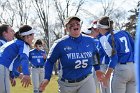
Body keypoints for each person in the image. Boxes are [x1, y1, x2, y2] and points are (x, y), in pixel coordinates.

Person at [39, 16, 105, 93]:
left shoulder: (90, 40)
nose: (75, 25)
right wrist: (47, 78)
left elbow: (94, 55)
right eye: (71, 24)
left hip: (86, 80)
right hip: (67, 84)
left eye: (77, 23)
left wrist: (97, 70)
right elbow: (50, 61)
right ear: (66, 28)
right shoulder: (60, 44)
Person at [96, 16, 135, 93]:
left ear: (101, 27)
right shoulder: (124, 32)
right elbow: (134, 49)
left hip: (121, 69)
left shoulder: (107, 38)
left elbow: (114, 59)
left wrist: (106, 77)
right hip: (133, 68)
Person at [0, 25, 35, 93]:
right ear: (27, 36)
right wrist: (26, 74)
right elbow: (24, 58)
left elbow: (11, 66)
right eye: (32, 35)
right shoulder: (23, 44)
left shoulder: (14, 42)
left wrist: (12, 75)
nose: (33, 38)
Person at [88, 20, 111, 93]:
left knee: (106, 88)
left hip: (104, 65)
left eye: (93, 29)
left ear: (97, 29)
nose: (91, 32)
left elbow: (105, 53)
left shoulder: (102, 38)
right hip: (99, 66)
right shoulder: (97, 39)